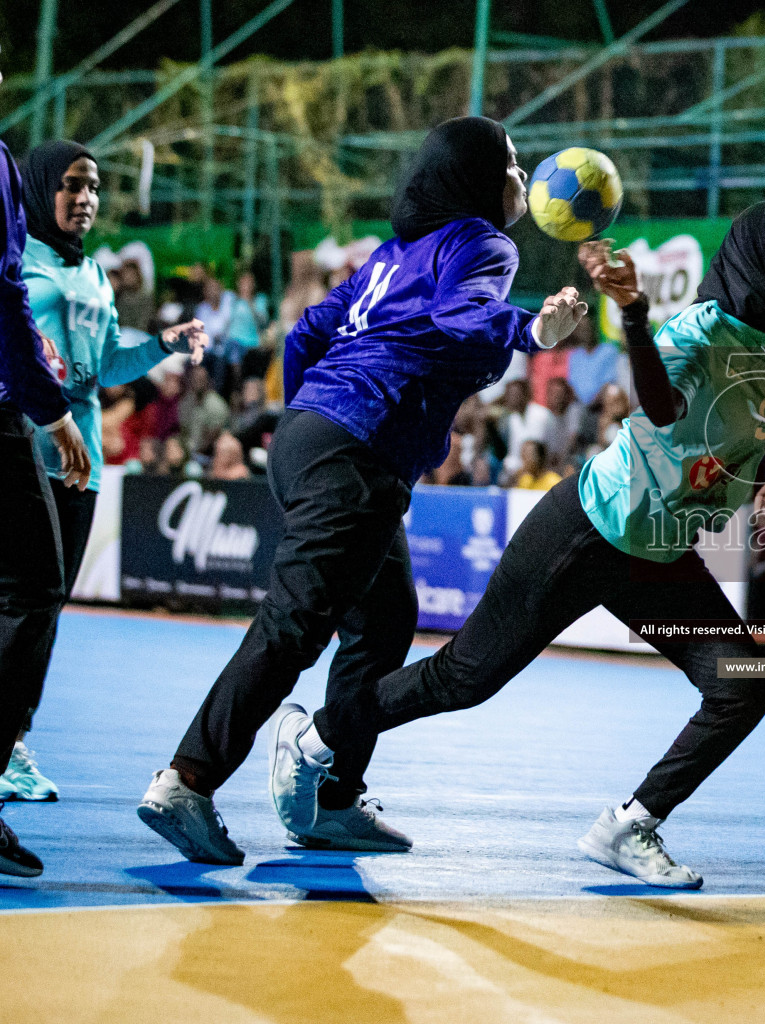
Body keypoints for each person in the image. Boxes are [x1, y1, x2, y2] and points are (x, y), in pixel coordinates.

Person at [264, 201, 765, 890]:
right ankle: (316, 734)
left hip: (659, 553)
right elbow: (660, 405)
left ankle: (630, 825)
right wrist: (635, 316)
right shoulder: (699, 328)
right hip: (590, 527)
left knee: (743, 688)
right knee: (465, 677)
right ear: (757, 250)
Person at [137, 115, 587, 865]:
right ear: (475, 179)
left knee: (382, 619)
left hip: (312, 435)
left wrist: (311, 410)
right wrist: (531, 332)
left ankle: (333, 797)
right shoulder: (483, 242)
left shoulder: (393, 255)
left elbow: (308, 331)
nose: (523, 174)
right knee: (297, 623)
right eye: (511, 161)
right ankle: (189, 778)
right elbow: (461, 316)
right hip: (357, 448)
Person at [2, 140, 206, 803]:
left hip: (79, 463)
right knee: (23, 603)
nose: (84, 198)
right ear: (37, 190)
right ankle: (6, 746)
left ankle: (13, 740)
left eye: (92, 187)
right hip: (22, 452)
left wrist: (159, 347)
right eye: (70, 186)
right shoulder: (18, 263)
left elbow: (106, 366)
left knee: (42, 606)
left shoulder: (91, 274)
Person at [0, 90, 91, 878]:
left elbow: (104, 358)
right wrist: (50, 409)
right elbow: (4, 297)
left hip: (43, 426)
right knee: (34, 589)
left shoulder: (89, 271)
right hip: (12, 417)